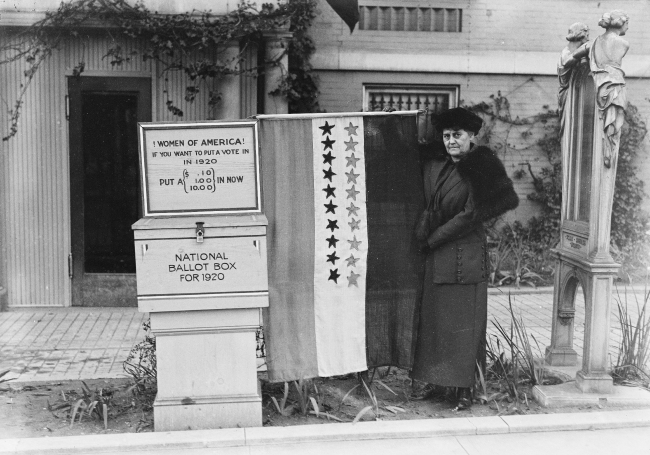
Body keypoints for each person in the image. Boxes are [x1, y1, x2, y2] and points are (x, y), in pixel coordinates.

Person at [410, 107, 519, 409]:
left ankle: (465, 389)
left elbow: (470, 215)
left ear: (472, 136)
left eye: (457, 135)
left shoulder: (481, 167)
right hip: (437, 256)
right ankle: (440, 381)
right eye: (446, 136)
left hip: (464, 257)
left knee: (466, 327)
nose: (451, 141)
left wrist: (432, 239)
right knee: (437, 323)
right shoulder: (437, 165)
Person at [589, 10, 629, 168]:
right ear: (620, 23)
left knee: (607, 119)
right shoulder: (623, 43)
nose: (628, 27)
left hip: (601, 85)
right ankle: (608, 152)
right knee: (614, 119)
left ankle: (606, 151)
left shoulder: (595, 42)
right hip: (615, 84)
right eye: (627, 23)